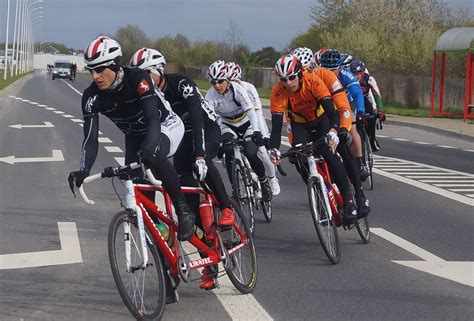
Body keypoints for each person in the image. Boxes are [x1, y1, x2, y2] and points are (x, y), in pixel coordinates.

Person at [67, 36, 195, 242]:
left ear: (115, 65)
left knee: (153, 152)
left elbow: (153, 118)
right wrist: (83, 169)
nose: (95, 76)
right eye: (91, 70)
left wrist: (151, 146)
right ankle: (165, 253)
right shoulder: (91, 97)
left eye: (100, 69)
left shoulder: (137, 78)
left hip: (165, 125)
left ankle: (184, 210)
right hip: (134, 137)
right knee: (137, 192)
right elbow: (90, 138)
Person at [130, 48, 236, 290]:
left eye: (146, 74)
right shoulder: (145, 93)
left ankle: (227, 207)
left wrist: (200, 154)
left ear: (158, 71)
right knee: (187, 197)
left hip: (204, 131)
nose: (142, 79)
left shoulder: (181, 84)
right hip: (179, 138)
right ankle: (209, 257)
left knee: (204, 165)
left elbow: (198, 119)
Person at [269, 54, 358, 223]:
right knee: (299, 158)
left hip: (322, 118)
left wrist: (333, 131)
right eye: (283, 80)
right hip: (300, 124)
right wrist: (273, 149)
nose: (288, 83)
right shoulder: (277, 93)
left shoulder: (314, 82)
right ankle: (318, 196)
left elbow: (333, 113)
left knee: (328, 154)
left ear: (299, 73)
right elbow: (275, 129)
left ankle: (349, 201)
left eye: (291, 77)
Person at [205, 60, 272, 202]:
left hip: (245, 122)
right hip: (227, 124)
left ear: (228, 79)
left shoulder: (238, 89)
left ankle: (264, 181)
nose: (217, 86)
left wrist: (256, 131)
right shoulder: (210, 95)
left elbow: (251, 112)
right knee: (228, 150)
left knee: (250, 152)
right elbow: (209, 119)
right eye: (213, 82)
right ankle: (235, 187)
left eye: (220, 81)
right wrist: (216, 141)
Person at [226, 61, 281, 196]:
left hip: (252, 122)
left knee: (262, 152)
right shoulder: (224, 92)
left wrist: (263, 135)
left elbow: (257, 113)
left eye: (235, 80)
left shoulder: (248, 88)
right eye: (230, 81)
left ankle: (272, 179)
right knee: (229, 153)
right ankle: (238, 185)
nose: (233, 84)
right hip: (232, 125)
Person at [319, 49, 370, 179]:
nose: (329, 74)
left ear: (340, 68)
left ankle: (360, 163)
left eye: (333, 70)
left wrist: (361, 112)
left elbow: (357, 93)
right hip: (326, 107)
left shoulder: (346, 75)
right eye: (326, 70)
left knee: (352, 128)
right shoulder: (318, 75)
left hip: (344, 105)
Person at [349, 60, 385, 151]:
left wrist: (380, 110)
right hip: (352, 102)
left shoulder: (369, 79)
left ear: (362, 73)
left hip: (365, 101)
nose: (356, 76)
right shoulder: (348, 79)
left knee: (372, 118)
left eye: (358, 74)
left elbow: (377, 95)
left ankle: (372, 139)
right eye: (353, 74)